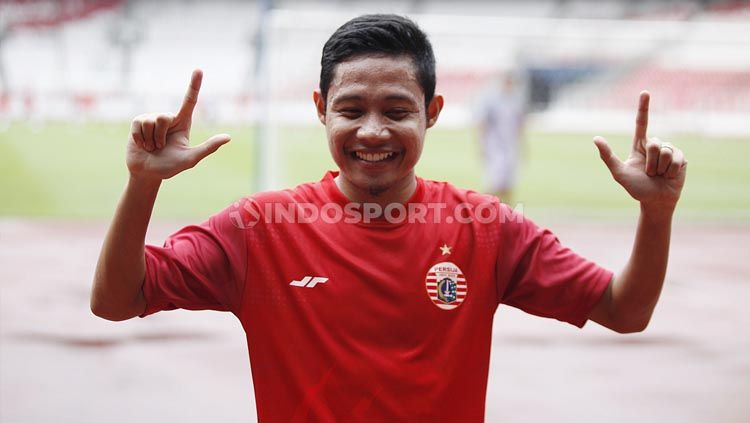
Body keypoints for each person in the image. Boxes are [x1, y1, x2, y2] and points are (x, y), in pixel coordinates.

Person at [91, 14, 687, 422]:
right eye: (351, 108)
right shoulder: (258, 228)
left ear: (432, 112)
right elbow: (117, 299)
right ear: (321, 110)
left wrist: (656, 214)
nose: (372, 131)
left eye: (397, 110)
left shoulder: (488, 227)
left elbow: (624, 311)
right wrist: (143, 184)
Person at [478, 69, 527, 203]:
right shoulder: (492, 100)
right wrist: (482, 145)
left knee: (509, 184)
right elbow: (483, 123)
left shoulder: (516, 100)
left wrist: (522, 145)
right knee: (493, 183)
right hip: (495, 146)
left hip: (510, 147)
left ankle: (506, 215)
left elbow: (520, 124)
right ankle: (485, 212)